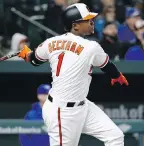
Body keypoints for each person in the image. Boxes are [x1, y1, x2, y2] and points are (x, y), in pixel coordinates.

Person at [18, 3, 128, 146]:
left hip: (83, 106)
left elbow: (34, 60)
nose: (91, 22)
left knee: (115, 136)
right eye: (87, 20)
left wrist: (27, 54)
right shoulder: (91, 47)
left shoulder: (50, 42)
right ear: (75, 26)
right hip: (61, 110)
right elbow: (107, 66)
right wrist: (116, 76)